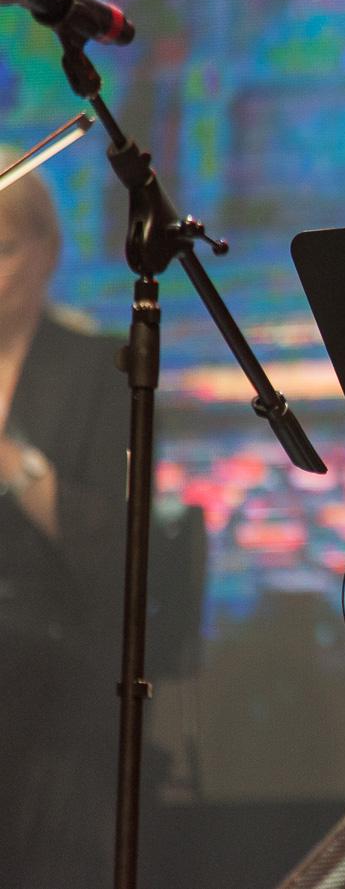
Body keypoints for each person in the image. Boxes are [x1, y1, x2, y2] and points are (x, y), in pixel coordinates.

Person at [0, 149, 127, 886]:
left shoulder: (97, 366)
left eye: (5, 248)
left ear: (46, 253)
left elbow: (109, 540)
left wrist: (14, 462)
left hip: (57, 641)